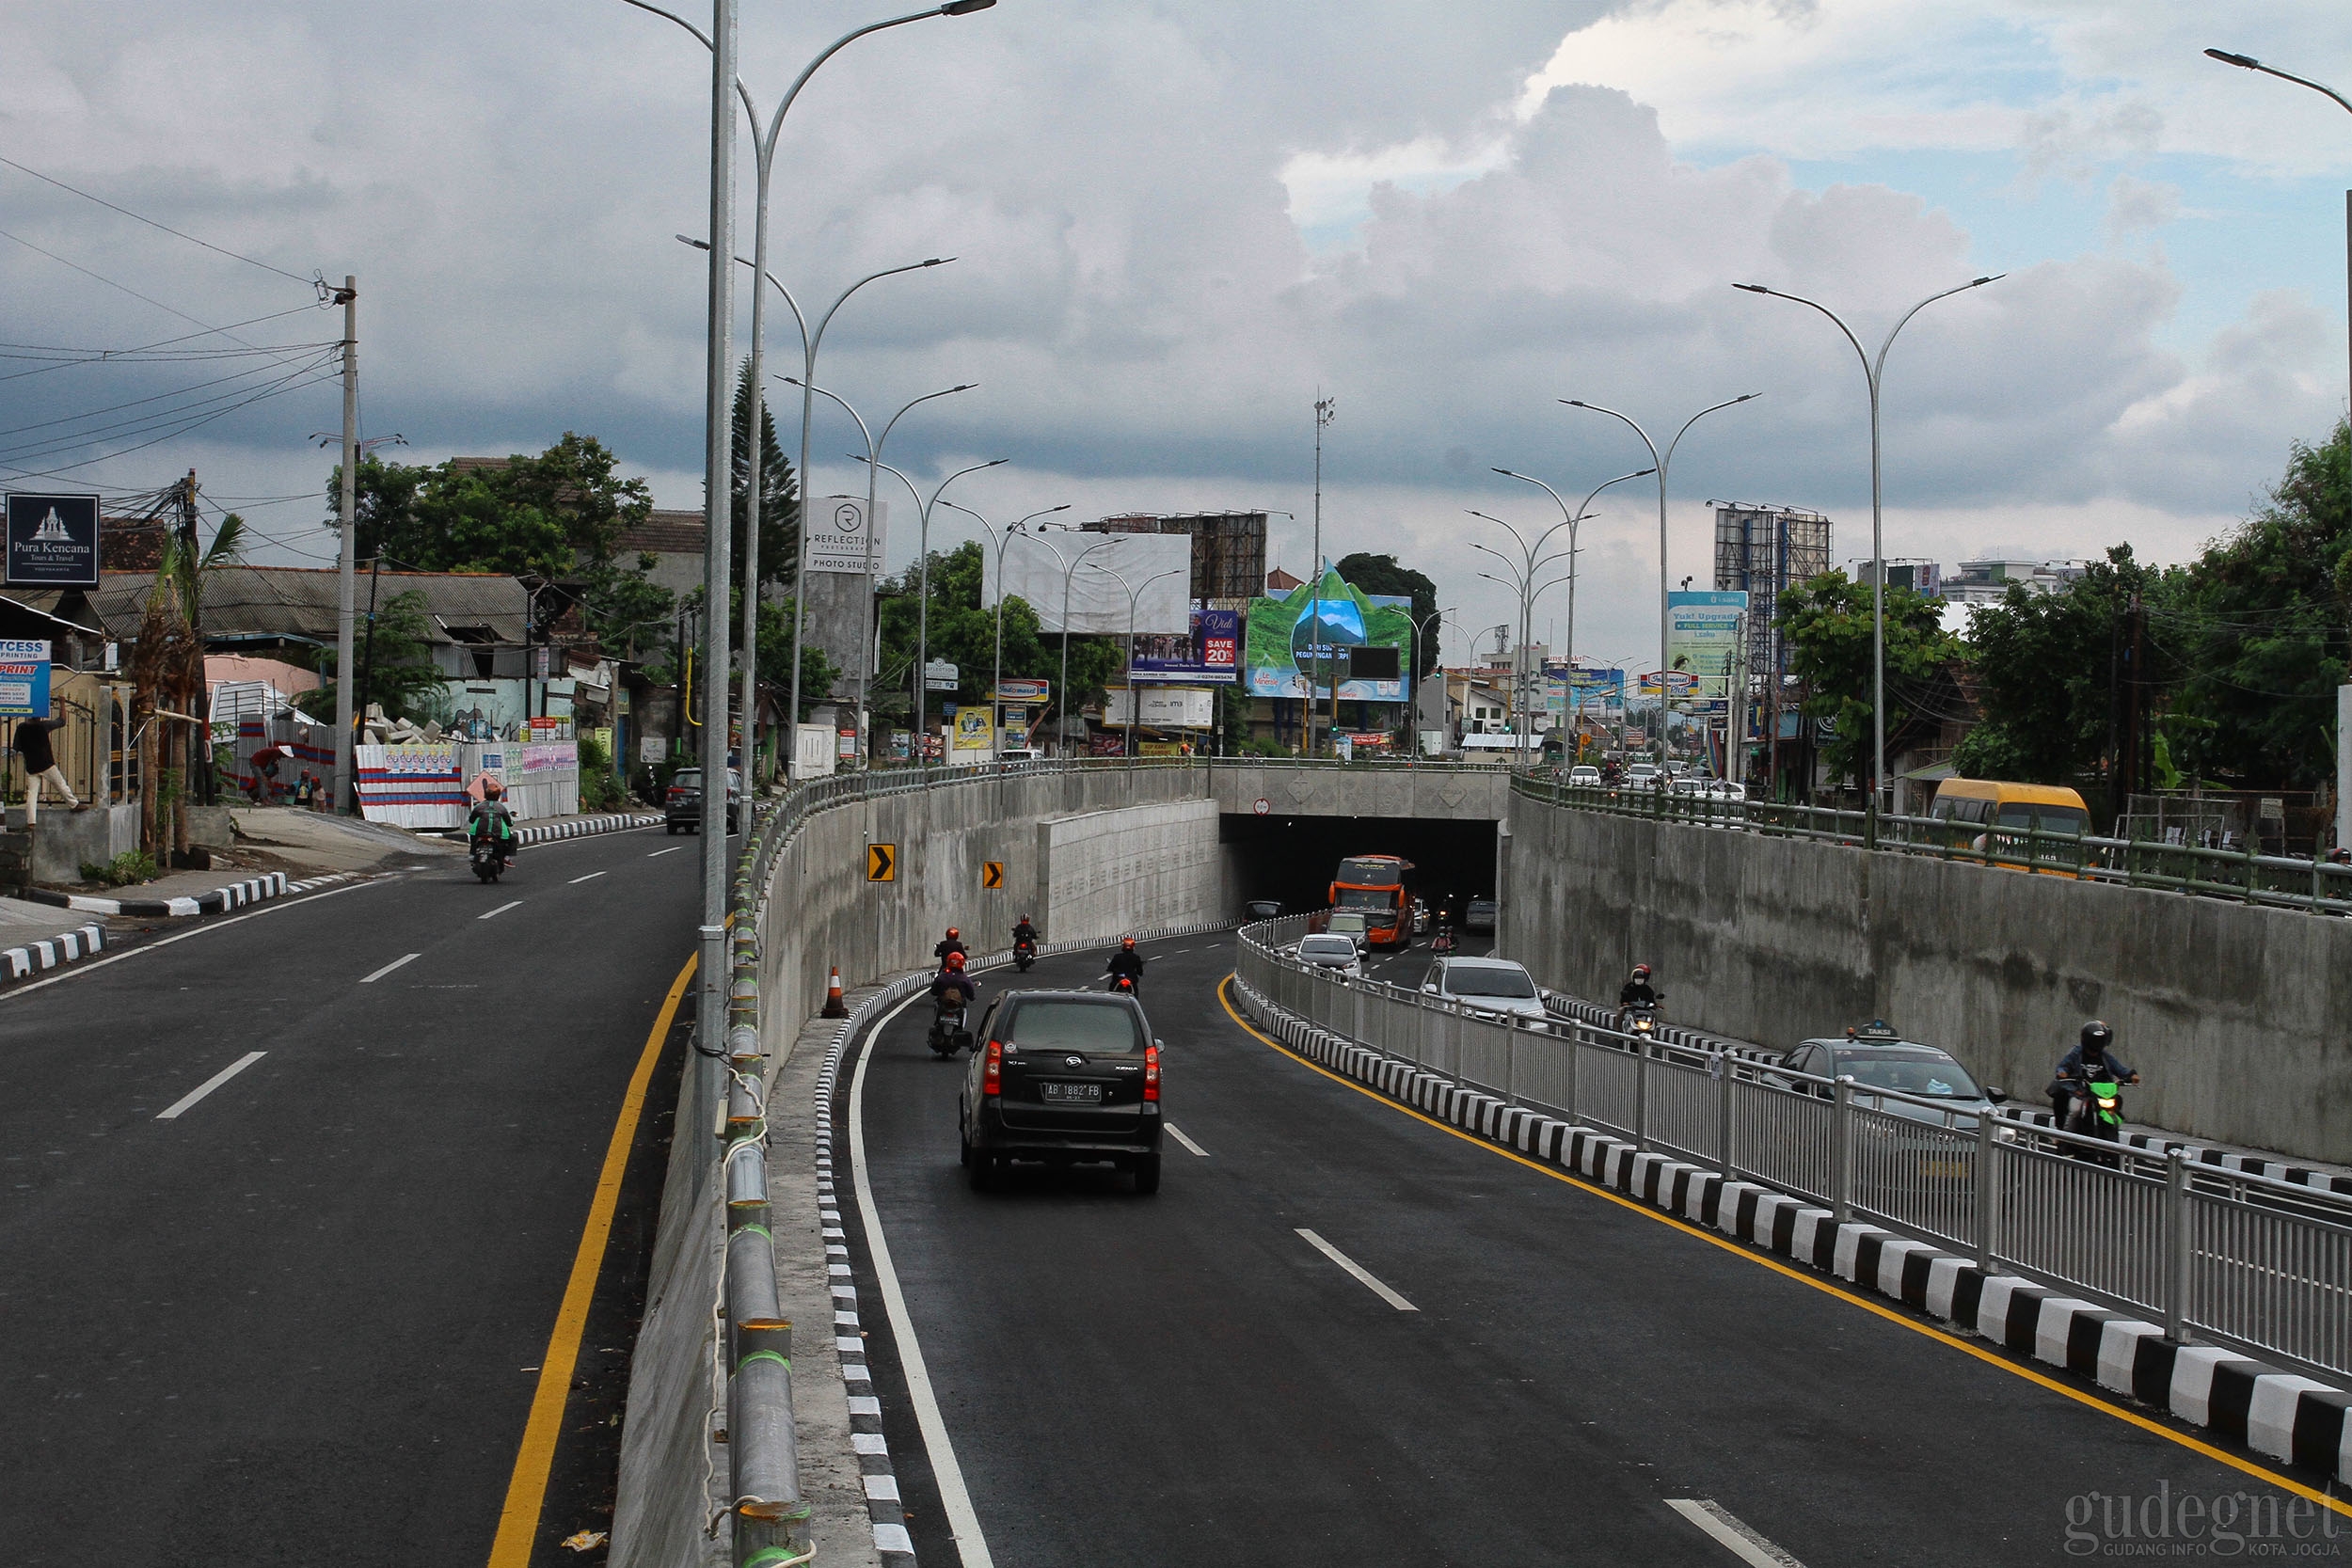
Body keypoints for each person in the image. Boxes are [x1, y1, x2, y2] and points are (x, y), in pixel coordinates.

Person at [2049, 1021, 2137, 1126]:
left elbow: (2120, 1069)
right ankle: (2064, 1136)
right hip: (2081, 1093)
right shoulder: (2076, 1053)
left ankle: (2112, 1132)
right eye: (2095, 1041)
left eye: (2100, 1041)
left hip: (2101, 1095)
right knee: (2075, 1110)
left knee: (2116, 1106)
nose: (2097, 1045)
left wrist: (2131, 1075)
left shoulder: (2105, 1056)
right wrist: (2063, 1073)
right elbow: (2063, 1066)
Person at [14, 714, 79, 823]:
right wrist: (62, 703)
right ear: (39, 716)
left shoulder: (21, 727)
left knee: (32, 793)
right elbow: (62, 721)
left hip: (31, 766)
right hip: (46, 764)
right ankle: (74, 804)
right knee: (61, 785)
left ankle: (31, 821)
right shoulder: (43, 726)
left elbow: (16, 746)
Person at [468, 779, 519, 863]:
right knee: (514, 837)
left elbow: (471, 820)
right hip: (498, 833)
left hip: (479, 832)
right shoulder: (501, 807)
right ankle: (507, 857)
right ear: (498, 795)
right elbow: (508, 822)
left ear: (485, 794)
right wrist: (511, 823)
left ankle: (472, 854)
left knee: (473, 838)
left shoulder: (479, 806)